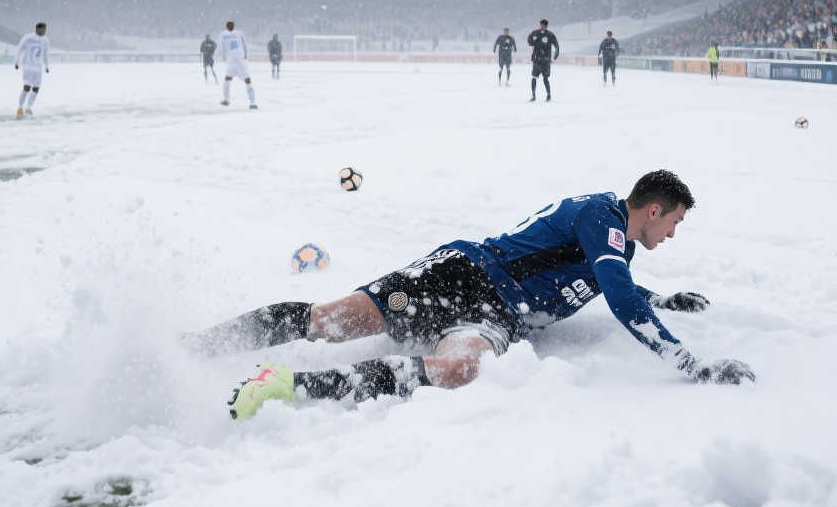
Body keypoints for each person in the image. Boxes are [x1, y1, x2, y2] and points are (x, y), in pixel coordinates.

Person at [183, 170, 755, 420]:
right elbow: (619, 296)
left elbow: (614, 284)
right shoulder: (602, 218)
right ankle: (200, 346)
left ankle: (284, 384)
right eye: (674, 222)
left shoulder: (619, 247)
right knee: (331, 321)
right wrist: (689, 362)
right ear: (652, 210)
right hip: (464, 274)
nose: (673, 233)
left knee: (460, 370)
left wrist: (660, 298)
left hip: (497, 313)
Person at [14, 22, 50, 118]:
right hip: (28, 66)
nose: (44, 31)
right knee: (27, 87)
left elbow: (45, 54)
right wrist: (16, 62)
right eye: (42, 29)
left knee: (36, 89)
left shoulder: (46, 40)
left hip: (38, 68)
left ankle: (29, 108)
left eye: (45, 29)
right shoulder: (28, 38)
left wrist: (46, 65)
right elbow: (19, 49)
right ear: (37, 29)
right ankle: (20, 108)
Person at [219, 20, 257, 109]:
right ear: (227, 26)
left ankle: (252, 102)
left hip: (238, 61)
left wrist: (245, 56)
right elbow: (221, 47)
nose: (230, 26)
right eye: (229, 25)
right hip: (234, 60)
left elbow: (244, 45)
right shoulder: (225, 35)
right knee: (229, 79)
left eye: (231, 25)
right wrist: (224, 56)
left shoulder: (235, 34)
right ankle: (227, 99)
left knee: (246, 80)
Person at [527, 19, 559, 102]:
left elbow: (556, 45)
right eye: (541, 25)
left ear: (546, 26)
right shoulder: (535, 33)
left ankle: (548, 95)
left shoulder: (550, 35)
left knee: (545, 78)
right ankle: (533, 96)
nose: (542, 27)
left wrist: (556, 54)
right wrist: (533, 40)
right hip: (536, 60)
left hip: (546, 60)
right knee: (534, 77)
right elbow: (529, 41)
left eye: (544, 26)